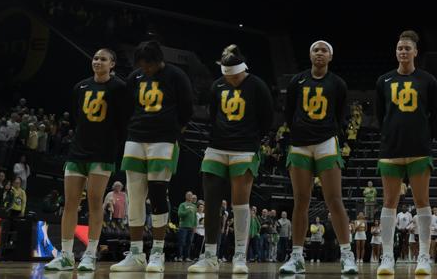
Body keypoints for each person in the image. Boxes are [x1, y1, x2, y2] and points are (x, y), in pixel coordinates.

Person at [185, 45, 272, 274]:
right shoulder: (217, 85)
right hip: (216, 146)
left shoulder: (257, 85)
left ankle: (240, 256)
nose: (230, 79)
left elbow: (267, 118)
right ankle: (210, 256)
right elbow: (214, 115)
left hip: (245, 148)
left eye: (233, 75)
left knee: (240, 203)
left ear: (242, 70)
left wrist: (251, 139)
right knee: (211, 201)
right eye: (226, 75)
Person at [111, 39, 194, 273]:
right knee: (134, 196)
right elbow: (127, 106)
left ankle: (157, 252)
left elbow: (187, 108)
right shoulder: (135, 77)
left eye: (149, 64)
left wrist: (176, 130)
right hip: (136, 138)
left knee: (158, 194)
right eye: (142, 64)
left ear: (159, 60)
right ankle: (136, 253)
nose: (145, 68)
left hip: (164, 140)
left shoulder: (176, 76)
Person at [45, 48, 130, 272]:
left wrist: (112, 145)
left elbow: (123, 122)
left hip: (103, 153)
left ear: (112, 64)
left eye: (103, 59)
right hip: (77, 151)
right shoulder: (80, 87)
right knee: (70, 202)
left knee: (94, 201)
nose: (97, 62)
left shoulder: (120, 88)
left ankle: (90, 254)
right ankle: (65, 255)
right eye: (95, 58)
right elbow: (77, 118)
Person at [278, 40, 357, 275]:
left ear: (330, 57)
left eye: (324, 50)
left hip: (326, 143)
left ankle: (347, 255)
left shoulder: (338, 83)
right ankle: (297, 257)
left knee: (334, 199)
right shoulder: (297, 81)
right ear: (310, 55)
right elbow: (288, 111)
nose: (319, 53)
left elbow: (342, 113)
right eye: (316, 50)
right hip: (300, 144)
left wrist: (333, 131)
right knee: (301, 201)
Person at [374, 30, 437, 277]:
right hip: (391, 149)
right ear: (396, 52)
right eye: (399, 48)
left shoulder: (427, 81)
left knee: (422, 202)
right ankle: (387, 256)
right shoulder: (383, 80)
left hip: (419, 149)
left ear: (415, 52)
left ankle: (424, 255)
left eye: (407, 48)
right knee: (389, 203)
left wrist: (426, 136)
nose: (403, 51)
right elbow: (380, 116)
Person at [177, 193, 198, 262]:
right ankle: (180, 256)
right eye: (188, 195)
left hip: (191, 227)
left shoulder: (194, 206)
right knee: (182, 242)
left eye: (191, 195)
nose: (190, 196)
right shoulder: (183, 204)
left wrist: (195, 226)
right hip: (183, 226)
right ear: (186, 196)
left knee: (189, 242)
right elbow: (179, 214)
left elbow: (195, 217)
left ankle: (187, 257)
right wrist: (187, 211)